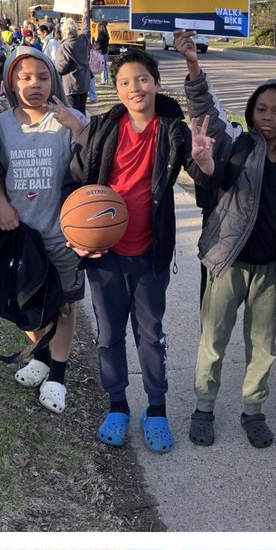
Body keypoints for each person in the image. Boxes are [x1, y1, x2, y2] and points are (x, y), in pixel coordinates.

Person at [177, 29, 276, 449]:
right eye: (261, 109)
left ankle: (252, 411)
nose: (268, 117)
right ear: (251, 111)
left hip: (270, 273)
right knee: (213, 340)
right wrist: (192, 65)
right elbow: (205, 107)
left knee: (263, 347)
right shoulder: (235, 145)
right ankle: (204, 406)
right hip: (227, 263)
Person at [69, 47, 194, 452]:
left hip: (149, 254)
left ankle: (156, 409)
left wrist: (207, 161)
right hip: (104, 253)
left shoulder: (174, 131)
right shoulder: (104, 128)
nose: (134, 87)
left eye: (141, 79)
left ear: (156, 83)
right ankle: (118, 405)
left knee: (151, 335)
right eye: (124, 82)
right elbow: (76, 182)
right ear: (116, 89)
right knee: (108, 335)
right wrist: (76, 236)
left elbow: (209, 179)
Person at [0, 46, 89, 413]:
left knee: (63, 306)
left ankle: (58, 374)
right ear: (11, 82)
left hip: (63, 233)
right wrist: (1, 203)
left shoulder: (70, 118)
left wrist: (77, 127)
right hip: (21, 236)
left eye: (43, 77)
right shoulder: (1, 125)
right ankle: (42, 354)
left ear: (54, 80)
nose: (34, 84)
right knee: (27, 300)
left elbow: (91, 164)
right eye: (25, 77)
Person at [56, 18, 92, 115]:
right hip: (84, 82)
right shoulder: (83, 40)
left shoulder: (65, 47)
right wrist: (85, 17)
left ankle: (77, 130)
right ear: (76, 29)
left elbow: (60, 68)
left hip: (72, 84)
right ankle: (84, 129)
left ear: (64, 32)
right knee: (82, 110)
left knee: (74, 113)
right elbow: (86, 30)